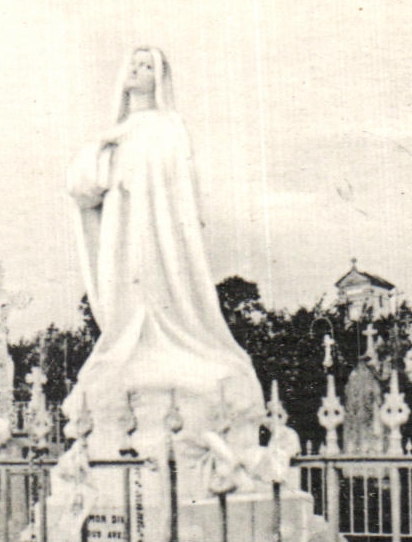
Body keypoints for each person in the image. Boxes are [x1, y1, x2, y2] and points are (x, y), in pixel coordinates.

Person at [63, 47, 263, 459]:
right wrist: (101, 147)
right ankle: (135, 339)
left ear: (161, 77)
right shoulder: (116, 133)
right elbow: (83, 188)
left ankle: (169, 334)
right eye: (134, 65)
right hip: (125, 229)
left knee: (160, 280)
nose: (139, 71)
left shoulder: (169, 126)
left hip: (163, 235)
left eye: (148, 66)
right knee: (130, 281)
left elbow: (181, 193)